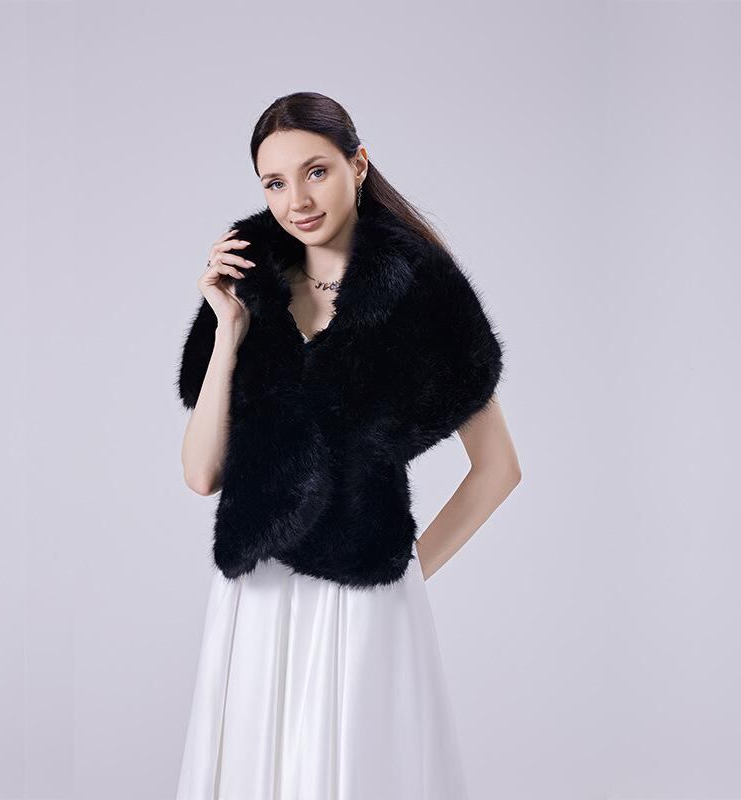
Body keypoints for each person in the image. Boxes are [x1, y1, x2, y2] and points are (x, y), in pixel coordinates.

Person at [175, 92, 521, 799]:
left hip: (362, 591)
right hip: (256, 594)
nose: (296, 201)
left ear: (357, 164)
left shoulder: (422, 292)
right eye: (274, 182)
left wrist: (407, 574)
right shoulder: (249, 287)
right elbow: (202, 474)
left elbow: (498, 468)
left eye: (316, 172)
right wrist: (229, 330)